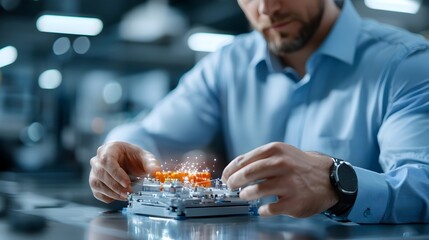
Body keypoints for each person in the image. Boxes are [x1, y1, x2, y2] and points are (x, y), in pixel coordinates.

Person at [88, 0, 429, 224]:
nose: (267, 7)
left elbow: (423, 183)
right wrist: (118, 152)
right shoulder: (226, 65)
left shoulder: (406, 65)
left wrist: (337, 184)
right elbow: (148, 134)